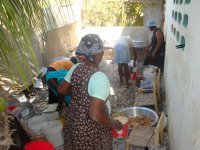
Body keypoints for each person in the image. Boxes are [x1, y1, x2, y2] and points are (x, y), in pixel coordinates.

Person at [58, 34, 123, 150]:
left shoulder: (76, 67)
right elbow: (95, 115)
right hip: (91, 133)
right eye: (101, 51)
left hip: (72, 124)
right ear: (99, 54)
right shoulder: (100, 78)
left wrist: (80, 93)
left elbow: (62, 89)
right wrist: (114, 123)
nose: (103, 53)